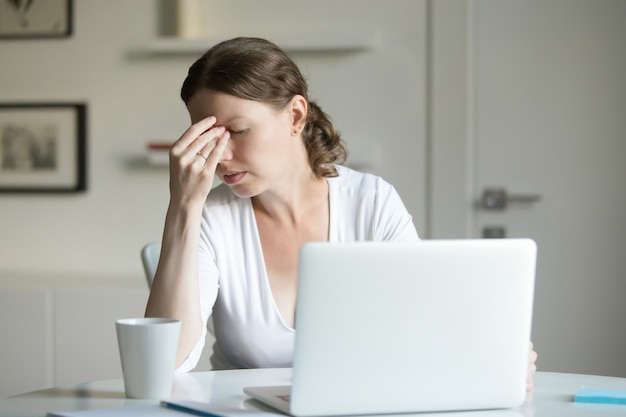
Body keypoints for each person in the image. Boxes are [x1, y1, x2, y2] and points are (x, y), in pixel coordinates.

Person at [144, 37, 537, 389]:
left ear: (295, 116)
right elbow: (166, 365)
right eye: (208, 136)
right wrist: (184, 206)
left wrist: (496, 354)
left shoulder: (372, 203)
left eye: (239, 131)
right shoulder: (212, 218)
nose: (221, 156)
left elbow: (426, 324)